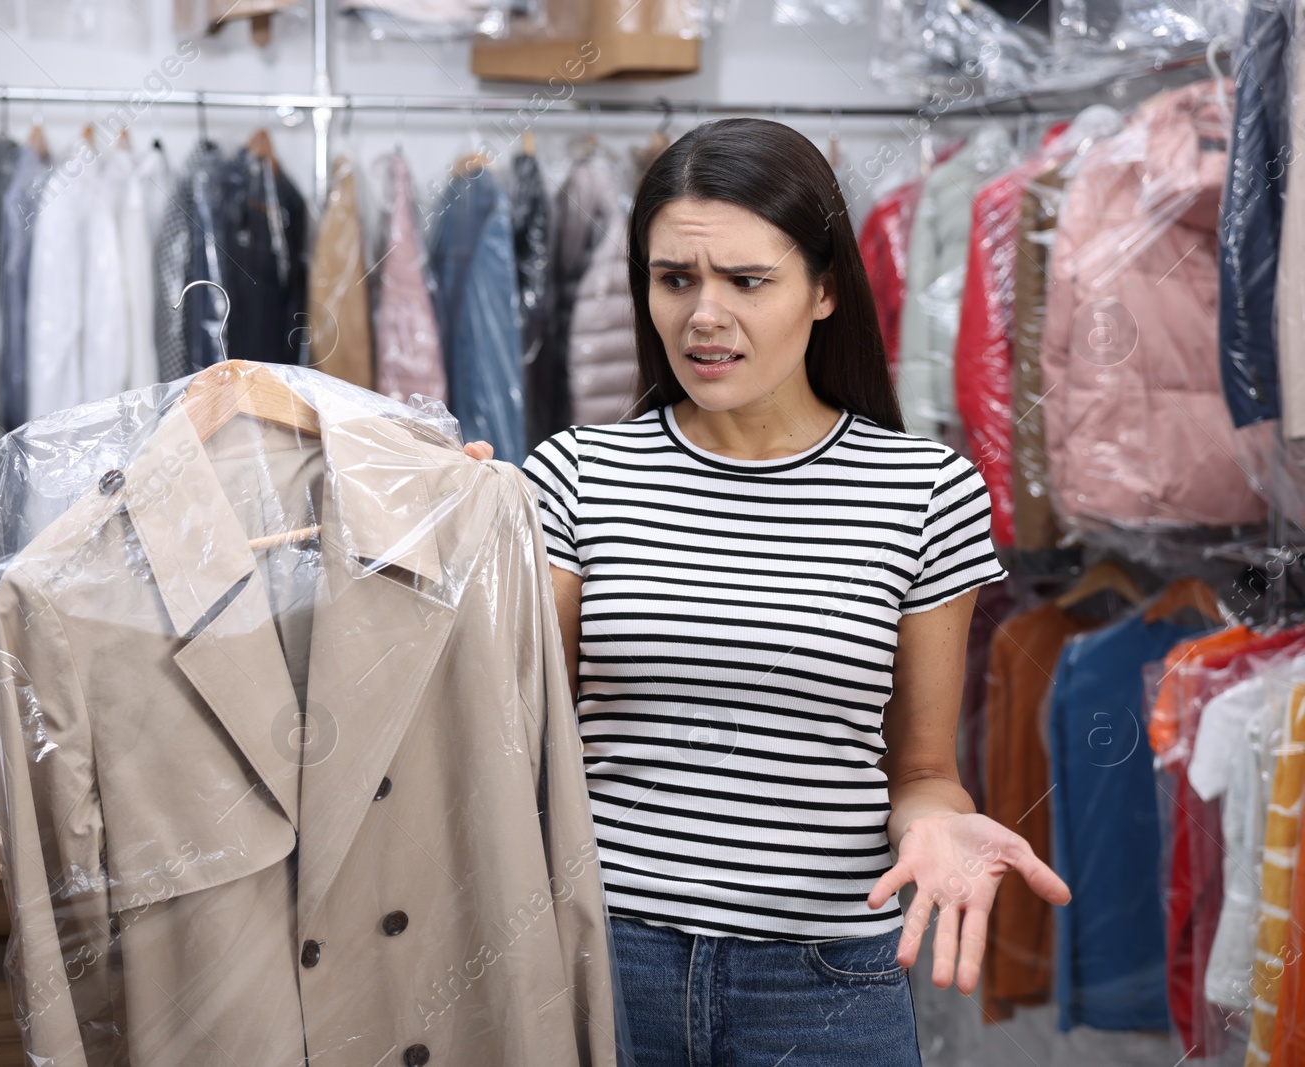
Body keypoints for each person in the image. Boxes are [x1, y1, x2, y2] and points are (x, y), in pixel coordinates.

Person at [459, 117, 1071, 1064]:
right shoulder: (578, 473)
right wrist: (451, 545)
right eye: (675, 280)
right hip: (608, 966)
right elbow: (506, 734)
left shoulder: (925, 491)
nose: (703, 316)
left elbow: (918, 771)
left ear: (826, 288)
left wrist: (943, 828)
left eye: (747, 282)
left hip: (824, 985)